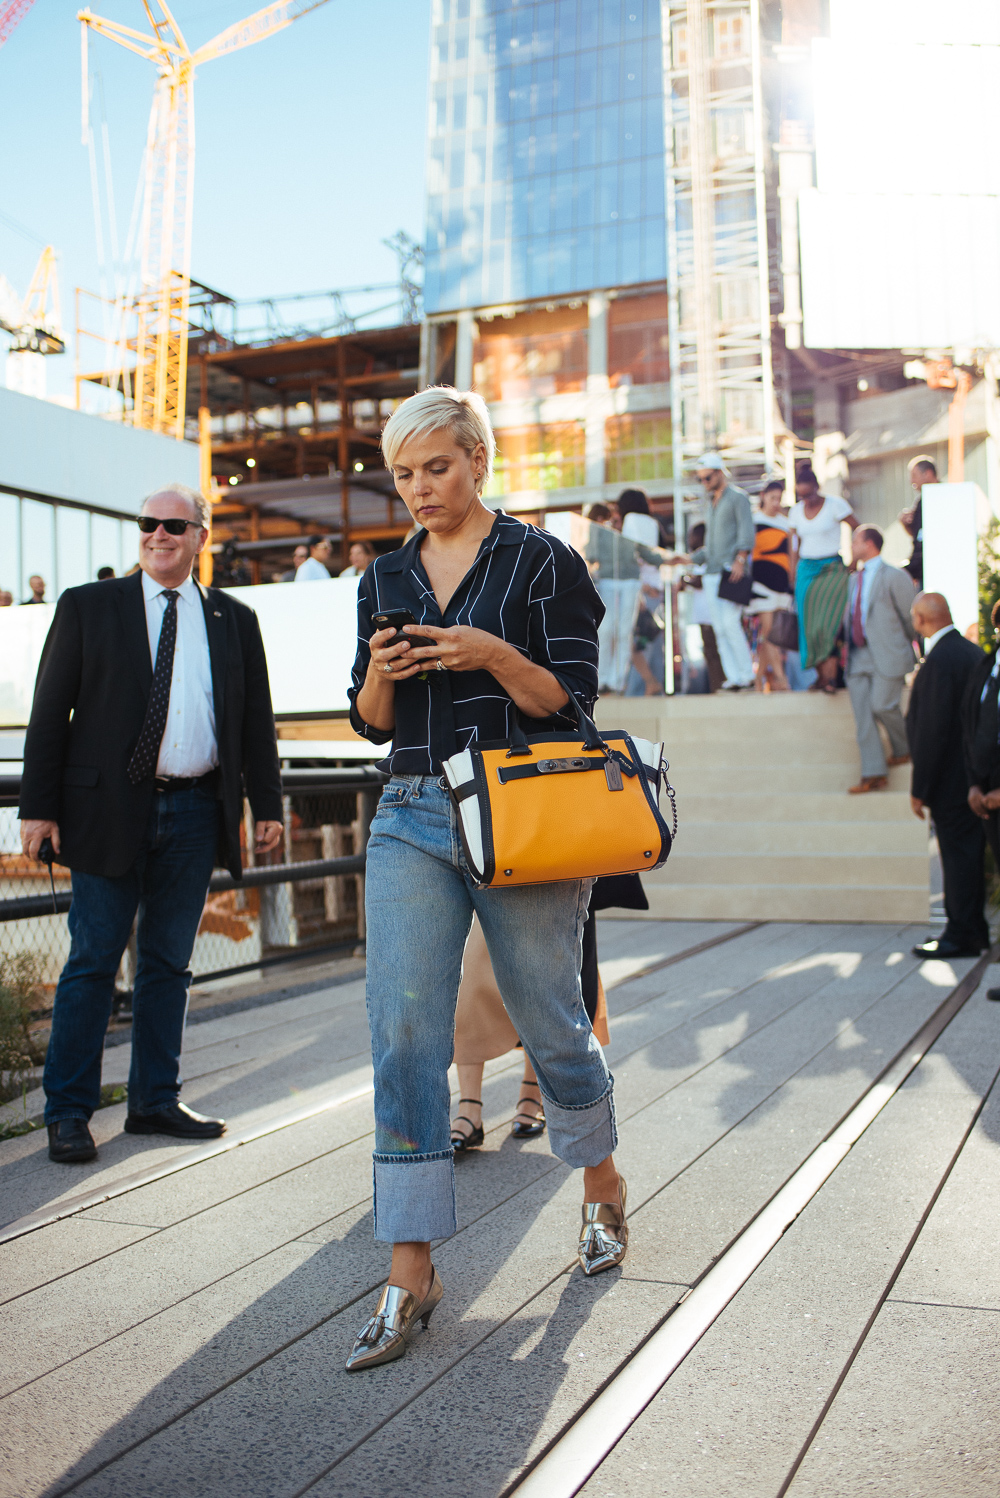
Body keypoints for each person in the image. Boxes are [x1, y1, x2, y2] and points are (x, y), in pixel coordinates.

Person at [344, 386, 627, 1373]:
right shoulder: (382, 575)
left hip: (522, 812)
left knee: (550, 1018)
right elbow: (371, 720)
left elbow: (571, 701)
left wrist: (487, 652)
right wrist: (386, 668)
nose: (420, 489)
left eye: (437, 467)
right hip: (412, 810)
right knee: (405, 1027)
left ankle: (599, 1181)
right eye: (404, 472)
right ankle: (410, 1263)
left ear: (476, 459)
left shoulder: (543, 560)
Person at [18, 482, 284, 1165]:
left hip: (197, 810)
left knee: (169, 963)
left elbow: (255, 727)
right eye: (148, 523)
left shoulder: (233, 619)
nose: (158, 534)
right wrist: (38, 808)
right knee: (92, 963)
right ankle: (69, 1112)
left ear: (200, 536)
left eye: (174, 525)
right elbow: (51, 713)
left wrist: (271, 807)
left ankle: (154, 1101)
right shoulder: (87, 607)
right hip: (105, 812)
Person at [906, 592, 987, 959]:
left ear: (921, 620)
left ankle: (962, 933)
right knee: (966, 855)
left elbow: (932, 729)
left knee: (957, 858)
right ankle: (972, 929)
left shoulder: (940, 659)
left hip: (951, 780)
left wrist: (920, 787)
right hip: (971, 776)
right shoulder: (972, 652)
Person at [844, 525, 918, 794]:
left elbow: (910, 618)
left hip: (888, 653)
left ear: (869, 543)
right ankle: (873, 773)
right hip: (857, 654)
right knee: (863, 717)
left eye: (855, 541)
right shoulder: (853, 579)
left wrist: (917, 652)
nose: (852, 546)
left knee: (882, 705)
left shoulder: (895, 575)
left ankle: (904, 748)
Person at [584, 503, 671, 694]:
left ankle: (616, 681)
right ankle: (602, 679)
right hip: (607, 581)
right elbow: (591, 554)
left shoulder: (631, 530)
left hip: (630, 582)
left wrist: (673, 558)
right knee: (606, 630)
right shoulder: (599, 532)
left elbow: (646, 553)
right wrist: (598, 530)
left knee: (624, 632)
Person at [787, 466, 859, 693]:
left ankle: (830, 678)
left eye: (809, 494)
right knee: (809, 627)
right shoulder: (796, 512)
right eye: (801, 496)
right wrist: (792, 572)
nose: (806, 500)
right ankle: (820, 677)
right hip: (806, 570)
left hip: (832, 568)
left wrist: (854, 562)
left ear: (817, 488)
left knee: (828, 624)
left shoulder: (835, 504)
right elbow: (793, 546)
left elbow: (859, 529)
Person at [688, 453, 755, 691]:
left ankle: (747, 675)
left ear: (718, 472)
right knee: (719, 628)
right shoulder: (711, 503)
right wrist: (689, 558)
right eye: (701, 479)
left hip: (729, 571)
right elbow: (711, 544)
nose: (704, 483)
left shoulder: (738, 498)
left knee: (730, 623)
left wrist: (740, 559)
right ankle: (735, 676)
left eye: (707, 478)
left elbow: (747, 532)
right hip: (712, 571)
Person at [746, 480, 793, 691]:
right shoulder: (753, 520)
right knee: (768, 631)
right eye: (772, 497)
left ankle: (759, 681)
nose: (776, 502)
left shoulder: (786, 523)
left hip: (781, 583)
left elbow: (792, 555)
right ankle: (781, 678)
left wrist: (791, 581)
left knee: (773, 634)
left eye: (779, 498)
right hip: (761, 582)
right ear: (763, 495)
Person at [682, 522, 723, 692]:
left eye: (693, 535)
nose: (690, 539)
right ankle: (716, 687)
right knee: (710, 653)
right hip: (703, 614)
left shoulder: (707, 556)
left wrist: (685, 580)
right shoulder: (699, 558)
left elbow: (699, 581)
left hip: (710, 615)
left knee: (714, 653)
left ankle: (719, 686)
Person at [900, 456, 937, 588]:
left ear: (928, 473)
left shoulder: (944, 496)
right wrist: (905, 524)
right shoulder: (921, 501)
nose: (912, 481)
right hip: (921, 566)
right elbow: (919, 536)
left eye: (914, 475)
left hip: (937, 565)